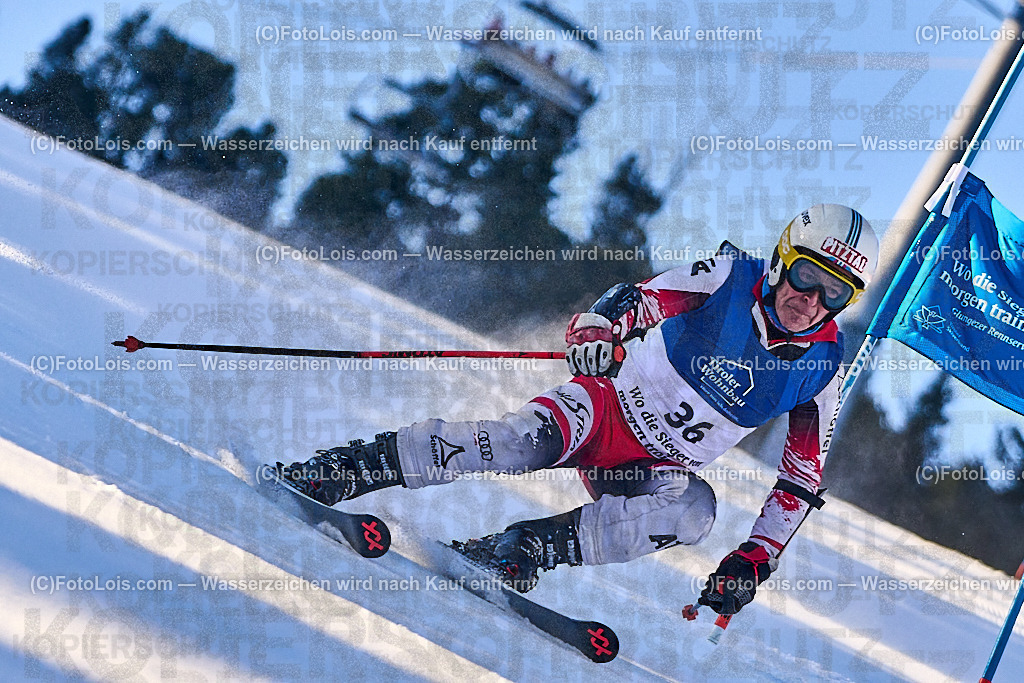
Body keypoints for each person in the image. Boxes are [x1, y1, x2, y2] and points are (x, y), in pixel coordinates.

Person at [278, 204, 879, 615]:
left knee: (694, 513)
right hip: (607, 407)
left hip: (650, 470)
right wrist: (598, 330)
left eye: (836, 293)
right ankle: (350, 468)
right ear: (781, 260)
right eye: (807, 275)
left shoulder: (824, 365)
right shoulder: (728, 277)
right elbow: (638, 300)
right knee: (517, 441)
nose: (811, 300)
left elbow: (800, 479)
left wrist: (755, 558)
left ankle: (523, 549)